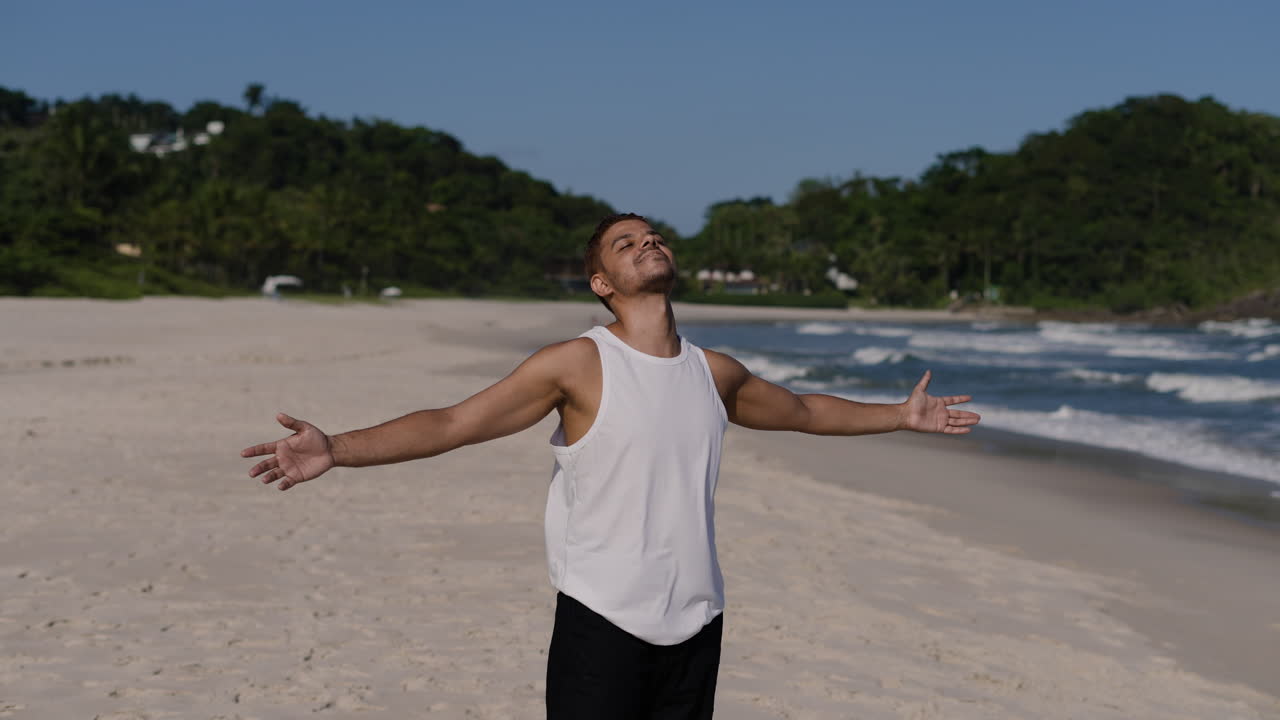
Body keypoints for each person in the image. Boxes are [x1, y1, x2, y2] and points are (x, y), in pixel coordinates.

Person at [240, 212, 981, 719]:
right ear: (602, 283)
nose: (645, 242)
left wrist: (900, 415)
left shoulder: (712, 371)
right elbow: (456, 422)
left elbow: (806, 412)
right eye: (624, 244)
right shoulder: (579, 364)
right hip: (603, 618)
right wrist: (337, 448)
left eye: (651, 236)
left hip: (698, 618)